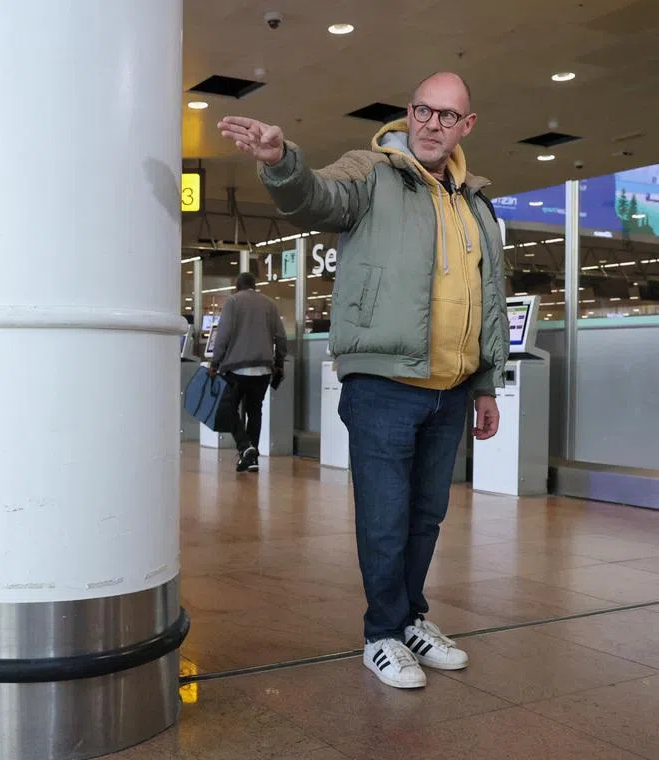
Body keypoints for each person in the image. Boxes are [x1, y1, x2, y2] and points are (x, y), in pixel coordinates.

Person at [218, 72, 508, 690]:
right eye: (424, 111)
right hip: (383, 380)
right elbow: (318, 198)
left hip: (451, 386)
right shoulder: (372, 172)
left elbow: (488, 297)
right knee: (384, 513)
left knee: (426, 514)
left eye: (448, 116)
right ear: (409, 112)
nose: (433, 124)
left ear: (467, 125)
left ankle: (409, 619)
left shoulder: (474, 203)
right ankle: (382, 633)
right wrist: (282, 163)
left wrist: (486, 382)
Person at [208, 271, 288, 473]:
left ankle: (245, 447)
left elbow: (223, 334)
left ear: (237, 286)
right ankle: (251, 459)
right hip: (263, 369)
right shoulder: (270, 304)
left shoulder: (233, 302)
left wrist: (215, 362)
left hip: (236, 368)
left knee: (227, 409)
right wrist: (279, 363)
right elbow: (281, 337)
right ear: (255, 285)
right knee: (254, 412)